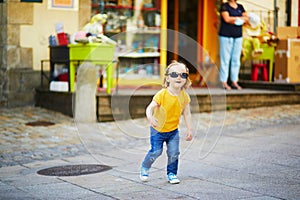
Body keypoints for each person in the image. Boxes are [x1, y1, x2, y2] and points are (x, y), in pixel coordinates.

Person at [140, 61, 193, 184]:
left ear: (186, 79)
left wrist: (189, 129)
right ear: (168, 78)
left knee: (174, 152)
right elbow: (149, 108)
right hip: (157, 130)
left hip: (173, 131)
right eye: (174, 74)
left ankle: (172, 173)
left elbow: (187, 113)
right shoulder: (162, 94)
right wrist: (150, 117)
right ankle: (145, 166)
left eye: (183, 75)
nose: (179, 77)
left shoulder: (184, 96)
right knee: (156, 151)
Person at [218, 0, 248, 90]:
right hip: (225, 36)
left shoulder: (240, 7)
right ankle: (224, 81)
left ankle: (234, 81)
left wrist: (234, 19)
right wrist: (239, 19)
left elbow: (246, 19)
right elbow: (226, 19)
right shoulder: (224, 6)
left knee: (236, 60)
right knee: (225, 60)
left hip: (238, 36)